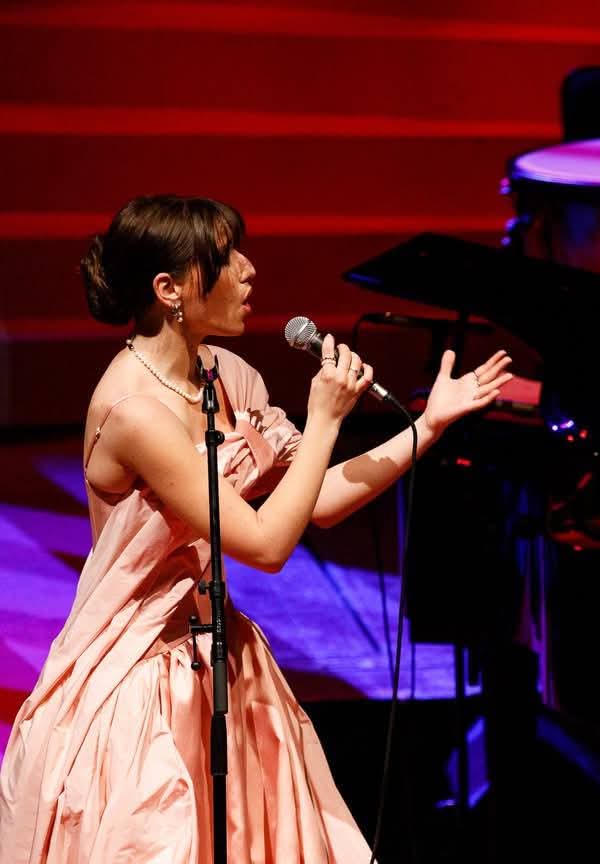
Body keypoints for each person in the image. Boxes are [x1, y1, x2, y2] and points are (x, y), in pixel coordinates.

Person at [0, 194, 513, 862]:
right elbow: (267, 546)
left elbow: (315, 501)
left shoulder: (226, 375)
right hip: (137, 680)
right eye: (226, 258)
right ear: (170, 289)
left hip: (221, 659)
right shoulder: (134, 412)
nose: (248, 271)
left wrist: (428, 426)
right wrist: (324, 420)